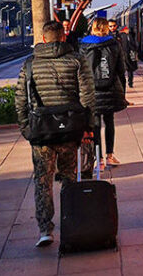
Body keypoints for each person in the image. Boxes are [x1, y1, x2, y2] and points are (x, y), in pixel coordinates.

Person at [15, 20, 95, 248]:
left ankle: (45, 230)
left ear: (43, 38)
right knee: (69, 176)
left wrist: (26, 129)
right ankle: (71, 222)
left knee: (43, 180)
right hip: (71, 129)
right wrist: (88, 126)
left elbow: (20, 100)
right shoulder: (77, 60)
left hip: (42, 132)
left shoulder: (30, 64)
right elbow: (88, 96)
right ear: (63, 37)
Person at [79, 17, 127, 168]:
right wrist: (122, 92)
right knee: (109, 122)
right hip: (110, 89)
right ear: (106, 28)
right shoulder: (114, 44)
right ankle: (110, 156)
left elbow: (80, 71)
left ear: (93, 27)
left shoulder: (84, 45)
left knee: (95, 125)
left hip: (91, 91)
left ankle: (98, 160)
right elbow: (121, 70)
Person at [109, 19, 138, 89]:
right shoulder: (106, 36)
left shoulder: (121, 34)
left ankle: (129, 83)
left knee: (127, 70)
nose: (112, 28)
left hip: (124, 54)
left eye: (114, 26)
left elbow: (130, 43)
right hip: (113, 57)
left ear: (116, 26)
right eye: (110, 26)